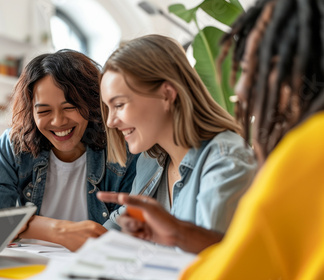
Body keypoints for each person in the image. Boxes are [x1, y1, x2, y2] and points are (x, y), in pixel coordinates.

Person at [100, 0, 324, 278]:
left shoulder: (303, 153)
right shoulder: (152, 161)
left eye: (250, 70)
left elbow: (235, 269)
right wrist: (180, 235)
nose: (240, 90)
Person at [98, 34, 258, 254]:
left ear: (167, 94)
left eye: (119, 105)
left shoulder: (227, 160)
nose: (110, 121)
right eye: (108, 107)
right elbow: (112, 236)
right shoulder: (151, 160)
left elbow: (211, 261)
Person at [0, 50, 138, 251]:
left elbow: (127, 233)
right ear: (30, 112)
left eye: (69, 107)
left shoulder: (123, 148)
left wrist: (20, 225)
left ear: (91, 102)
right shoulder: (14, 145)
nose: (58, 122)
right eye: (44, 111)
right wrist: (55, 229)